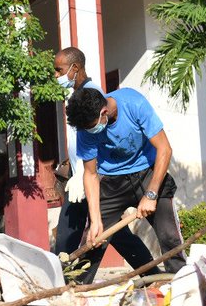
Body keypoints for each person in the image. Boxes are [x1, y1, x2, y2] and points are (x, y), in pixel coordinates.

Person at [65, 86, 186, 279]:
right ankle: (76, 291)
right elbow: (90, 174)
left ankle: (182, 285)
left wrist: (151, 194)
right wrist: (96, 219)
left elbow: (164, 149)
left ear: (103, 112)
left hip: (149, 174)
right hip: (112, 181)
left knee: (169, 236)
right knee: (94, 239)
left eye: (91, 127)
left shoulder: (134, 104)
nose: (90, 132)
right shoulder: (85, 129)